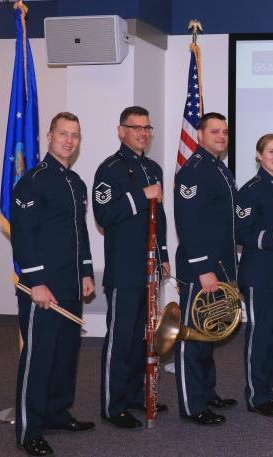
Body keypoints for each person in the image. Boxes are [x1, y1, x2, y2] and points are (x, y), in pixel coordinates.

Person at [11, 112, 95, 456]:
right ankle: (29, 430)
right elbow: (24, 236)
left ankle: (57, 413)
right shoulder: (33, 180)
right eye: (63, 134)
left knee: (65, 355)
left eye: (75, 135)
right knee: (39, 356)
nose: (69, 141)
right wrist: (37, 282)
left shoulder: (75, 181)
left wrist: (87, 272)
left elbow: (80, 232)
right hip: (43, 287)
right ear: (49, 136)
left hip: (71, 284)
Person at [93, 106, 169, 429]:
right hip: (124, 269)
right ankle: (112, 405)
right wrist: (141, 195)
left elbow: (160, 217)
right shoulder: (108, 169)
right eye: (135, 127)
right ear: (121, 130)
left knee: (144, 336)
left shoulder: (153, 168)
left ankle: (136, 394)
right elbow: (104, 215)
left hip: (150, 267)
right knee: (120, 338)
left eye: (146, 127)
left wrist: (164, 254)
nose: (142, 133)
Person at [173, 112, 239, 426]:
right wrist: (202, 269)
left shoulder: (219, 168)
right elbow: (188, 224)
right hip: (201, 270)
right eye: (215, 132)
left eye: (225, 132)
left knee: (209, 333)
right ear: (200, 135)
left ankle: (207, 392)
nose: (221, 137)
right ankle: (191, 403)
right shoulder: (194, 171)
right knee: (191, 337)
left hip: (221, 266)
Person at [236, 133, 273, 418]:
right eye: (271, 151)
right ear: (259, 155)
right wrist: (271, 236)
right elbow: (240, 231)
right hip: (259, 274)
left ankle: (267, 390)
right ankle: (255, 395)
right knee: (260, 336)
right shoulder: (251, 189)